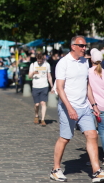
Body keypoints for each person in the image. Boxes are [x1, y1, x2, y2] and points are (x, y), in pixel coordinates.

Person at [50, 36, 104, 182]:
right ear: (73, 46)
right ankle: (55, 169)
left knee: (92, 135)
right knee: (65, 138)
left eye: (85, 46)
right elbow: (60, 88)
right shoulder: (63, 63)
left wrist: (93, 105)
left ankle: (96, 170)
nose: (84, 48)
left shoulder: (84, 62)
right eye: (81, 46)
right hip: (68, 106)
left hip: (84, 106)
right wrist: (70, 108)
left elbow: (87, 85)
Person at [88, 48, 104, 164]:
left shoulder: (88, 72)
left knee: (90, 135)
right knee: (103, 133)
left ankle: (92, 159)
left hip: (91, 106)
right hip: (103, 107)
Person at [28, 53, 53, 127]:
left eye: (40, 61)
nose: (39, 62)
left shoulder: (47, 65)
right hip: (35, 86)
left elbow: (49, 76)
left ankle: (42, 119)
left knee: (43, 103)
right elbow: (29, 76)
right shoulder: (33, 65)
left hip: (44, 86)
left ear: (43, 58)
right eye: (38, 61)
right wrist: (33, 73)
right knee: (37, 104)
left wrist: (52, 86)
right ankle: (36, 115)